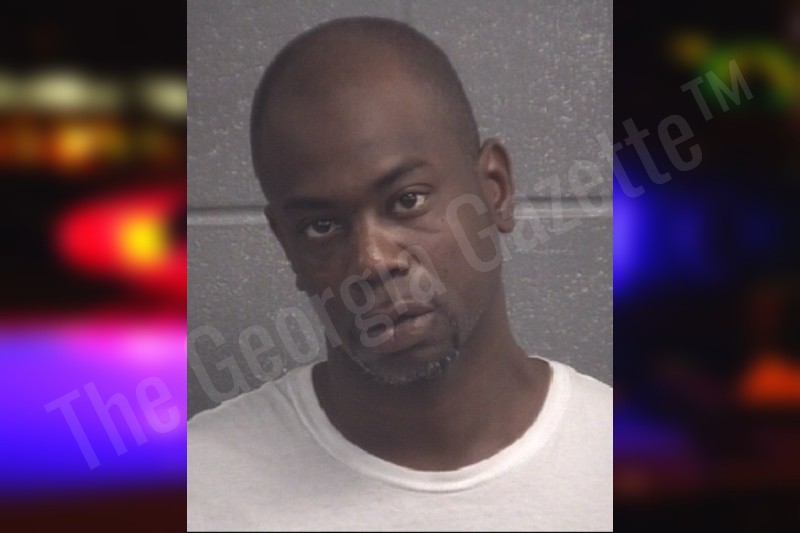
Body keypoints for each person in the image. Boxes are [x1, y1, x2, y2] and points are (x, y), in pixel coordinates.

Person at [188, 16, 612, 531]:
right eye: (321, 226)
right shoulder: (199, 489)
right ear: (286, 245)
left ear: (495, 190)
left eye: (408, 200)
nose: (372, 260)